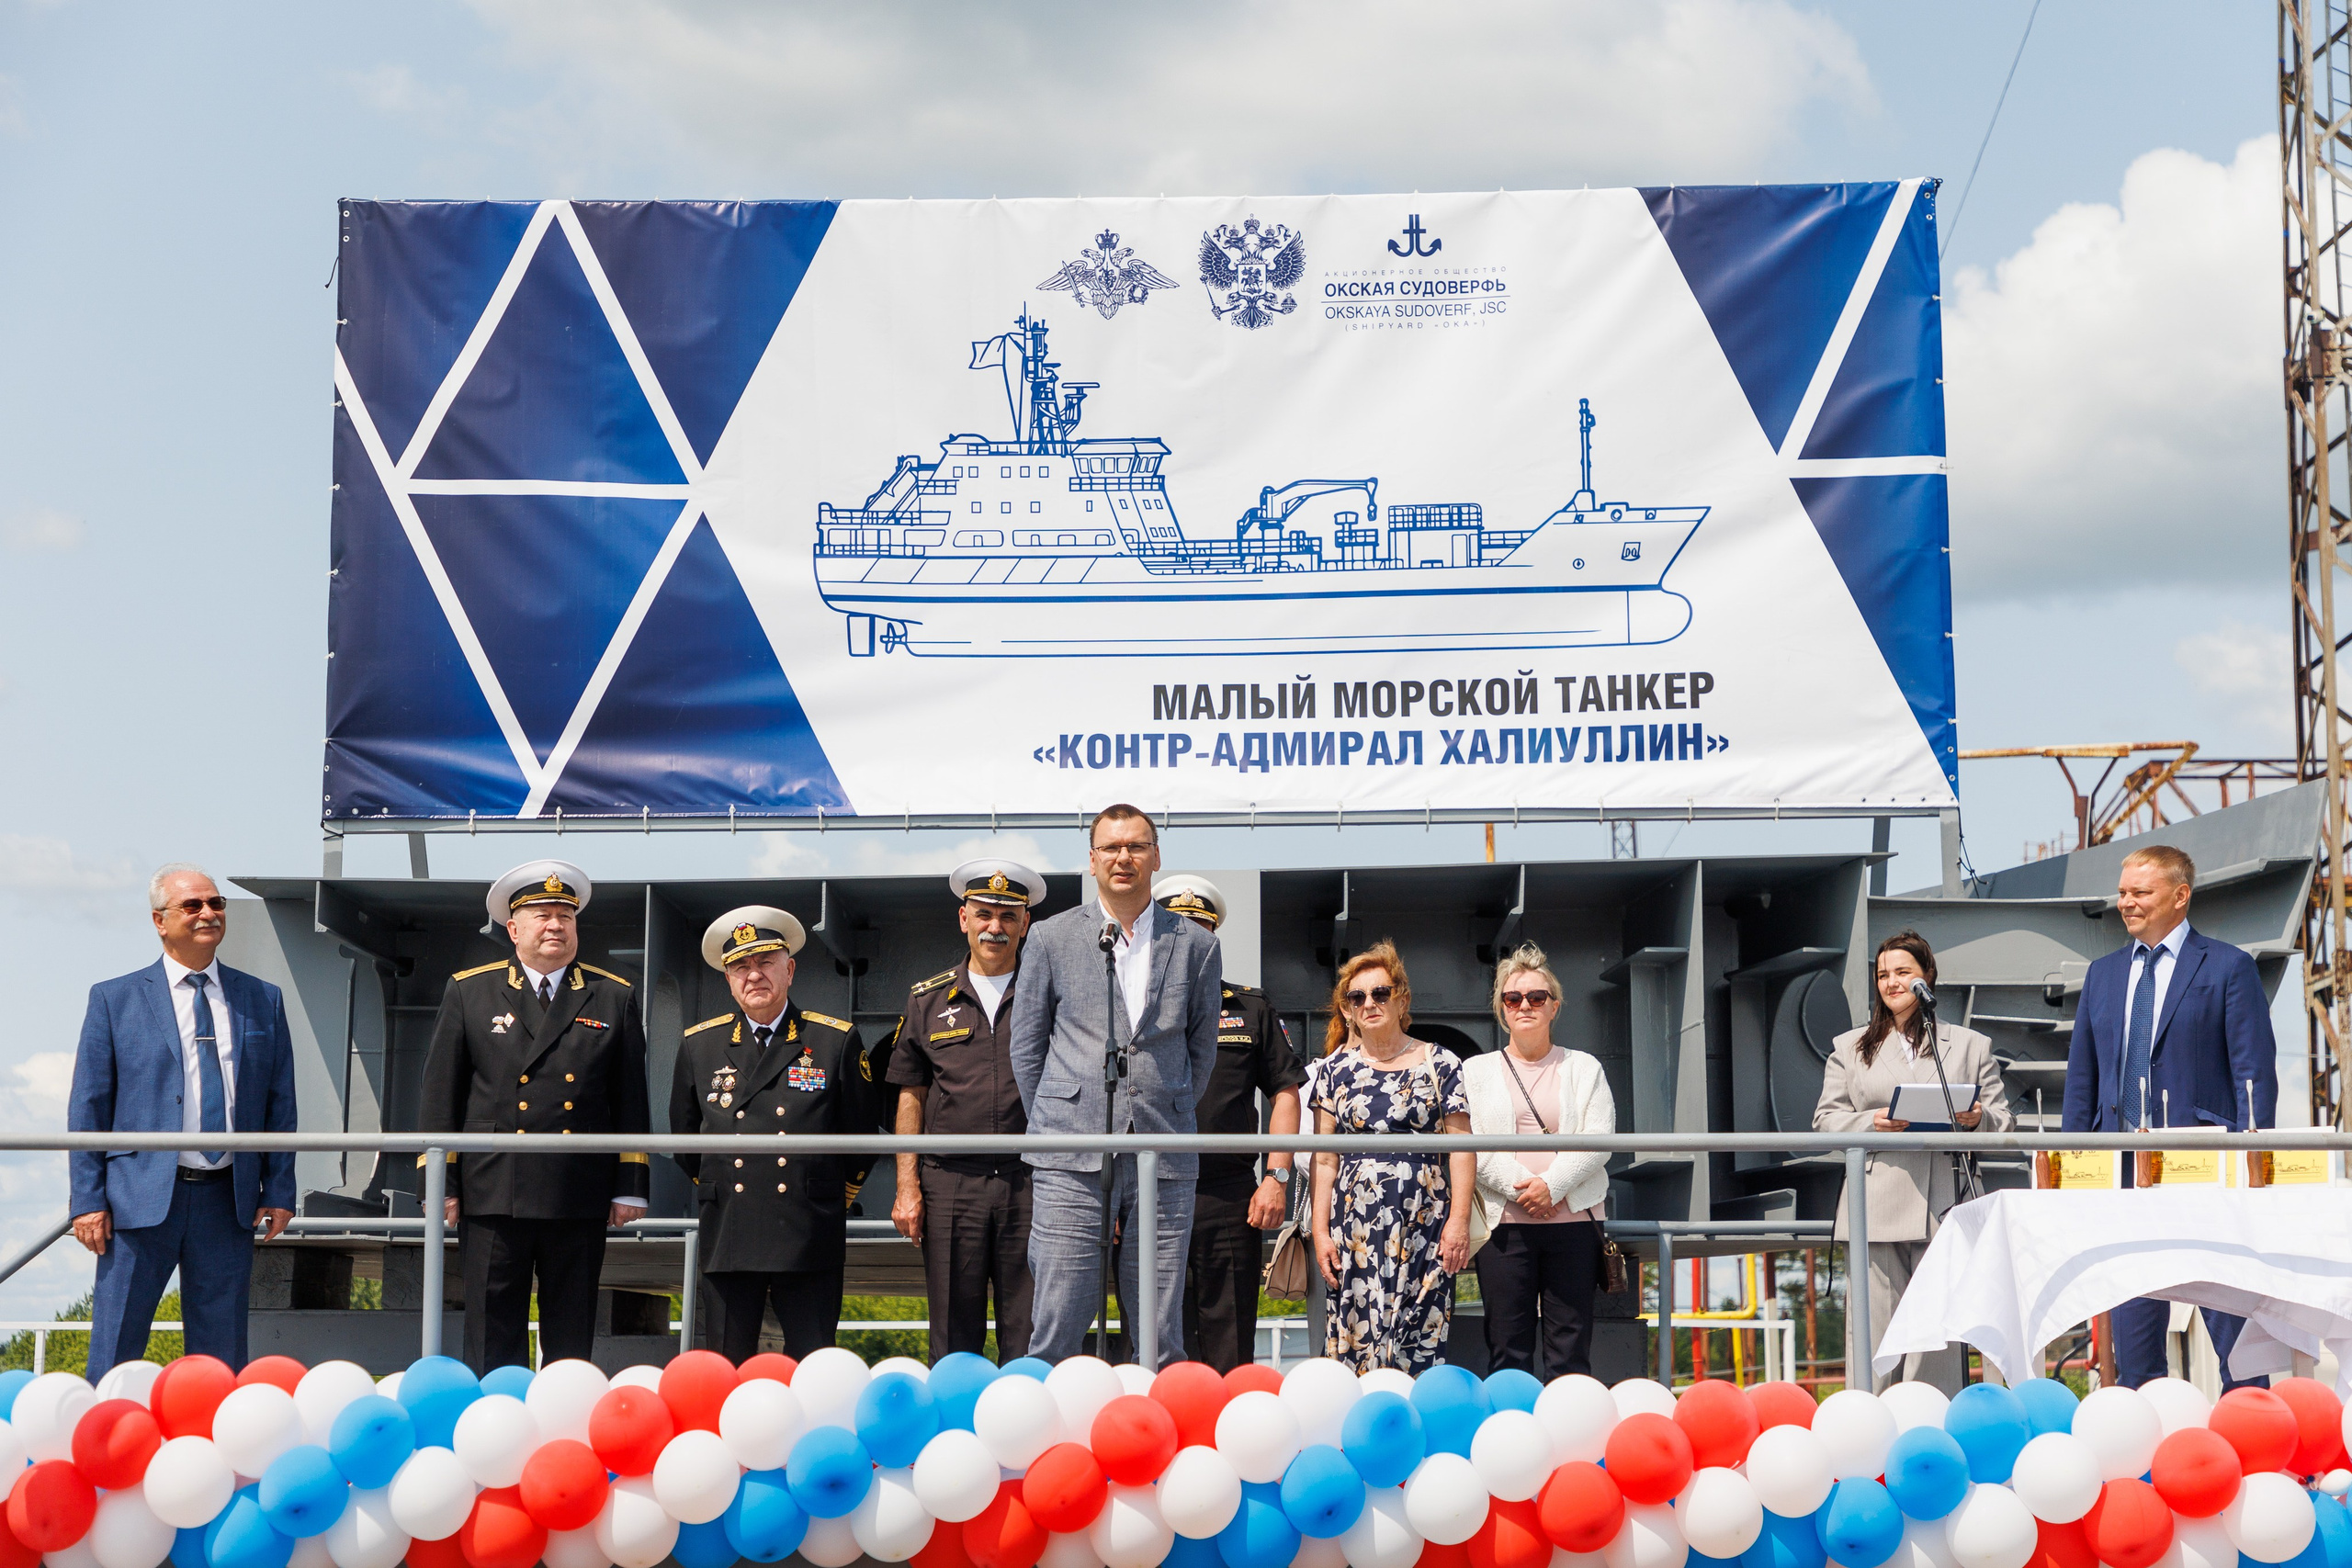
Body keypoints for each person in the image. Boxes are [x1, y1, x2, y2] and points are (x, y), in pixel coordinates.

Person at [1009, 804, 1221, 1367]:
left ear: (1155, 856)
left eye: (1135, 846)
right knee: (1059, 1315)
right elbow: (1027, 1046)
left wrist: (1164, 1101)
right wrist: (1061, 1115)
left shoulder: (1197, 945)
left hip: (1163, 1149)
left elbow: (1201, 1049)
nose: (1122, 858)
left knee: (1158, 1325)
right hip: (1069, 1151)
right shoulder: (1051, 938)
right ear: (1092, 859)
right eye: (1110, 847)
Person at [69, 864, 299, 1381]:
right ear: (159, 920)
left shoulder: (263, 998)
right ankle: (103, 1451)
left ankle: (215, 1455)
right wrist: (87, 1199)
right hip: (137, 1201)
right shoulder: (114, 999)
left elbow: (280, 1104)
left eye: (216, 904)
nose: (208, 914)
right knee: (115, 1348)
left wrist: (280, 1186)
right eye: (192, 906)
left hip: (228, 1200)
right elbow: (89, 1106)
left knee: (220, 1358)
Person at [419, 860, 650, 1373]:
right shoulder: (469, 991)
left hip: (578, 1187)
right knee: (490, 1325)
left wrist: (630, 1183)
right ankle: (493, 1426)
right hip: (493, 1186)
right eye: (542, 915)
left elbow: (630, 1098)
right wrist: (442, 1181)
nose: (555, 926)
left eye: (565, 916)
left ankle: (563, 1428)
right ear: (513, 928)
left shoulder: (614, 995)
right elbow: (441, 1095)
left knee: (571, 1329)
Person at [2062, 844, 2276, 1390]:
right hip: (2125, 1184)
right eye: (2123, 892)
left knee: (2237, 1349)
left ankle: (2257, 1453)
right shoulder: (2103, 976)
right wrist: (2073, 1172)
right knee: (2134, 1358)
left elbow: (2255, 1077)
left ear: (2180, 897)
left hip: (2207, 1182)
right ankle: (2147, 1466)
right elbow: (2082, 1082)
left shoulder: (2229, 967)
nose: (2125, 903)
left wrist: (2256, 1173)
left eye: (2140, 893)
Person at [1815, 929, 2013, 1393]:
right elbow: (1826, 1119)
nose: (1891, 982)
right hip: (1877, 1199)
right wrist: (1872, 1123)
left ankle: (1934, 1425)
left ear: (1927, 978)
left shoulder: (1968, 1046)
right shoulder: (1850, 1046)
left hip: (1946, 1198)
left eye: (1903, 972)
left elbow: (2004, 1121)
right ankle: (1872, 1429)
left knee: (1938, 1333)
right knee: (1875, 1330)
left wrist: (1976, 1118)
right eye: (1883, 974)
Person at [673, 906, 873, 1360]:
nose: (754, 975)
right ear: (727, 979)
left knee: (816, 1364)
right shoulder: (699, 1045)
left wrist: (825, 1194)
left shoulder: (833, 1041)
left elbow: (862, 1136)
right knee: (725, 1365)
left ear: (790, 969)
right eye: (740, 966)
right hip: (730, 1229)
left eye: (765, 962)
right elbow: (685, 1140)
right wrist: (718, 1187)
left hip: (807, 1228)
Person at [885, 858, 1047, 1361]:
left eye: (1007, 916)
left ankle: (1027, 1430)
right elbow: (910, 1095)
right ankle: (957, 1432)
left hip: (1033, 1181)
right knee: (953, 1332)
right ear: (964, 919)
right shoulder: (927, 1001)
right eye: (983, 914)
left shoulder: (1050, 994)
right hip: (951, 1183)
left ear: (1025, 924)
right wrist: (907, 1186)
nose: (994, 927)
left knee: (1030, 1329)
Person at [1153, 874, 1306, 1372]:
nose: (1190, 941)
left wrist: (1276, 1178)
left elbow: (1285, 1091)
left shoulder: (1250, 1008)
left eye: (1200, 931)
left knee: (1231, 1341)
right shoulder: (1130, 1013)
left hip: (1227, 1195)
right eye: (1178, 929)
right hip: (1150, 1192)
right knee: (1154, 1338)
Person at [1308, 941, 1474, 1374]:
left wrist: (1458, 1223)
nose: (1370, 1003)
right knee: (1354, 1338)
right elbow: (1323, 1159)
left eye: (1381, 993)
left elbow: (1461, 1147)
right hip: (1355, 1233)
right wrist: (1320, 1231)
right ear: (1346, 1010)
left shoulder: (1441, 1063)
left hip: (1425, 1224)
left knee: (1419, 1335)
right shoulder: (1332, 1071)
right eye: (1357, 997)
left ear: (1401, 999)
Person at [1464, 942, 1615, 1379]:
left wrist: (1553, 1186)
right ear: (1502, 1009)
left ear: (1554, 1007)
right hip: (1505, 1227)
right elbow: (1471, 1142)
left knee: (1569, 1350)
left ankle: (1567, 1442)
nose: (1524, 1005)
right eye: (1513, 998)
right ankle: (1511, 1443)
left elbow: (1599, 1138)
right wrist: (1526, 1189)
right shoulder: (1477, 1071)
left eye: (1536, 997)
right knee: (1507, 1349)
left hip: (1574, 1223)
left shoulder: (1584, 1068)